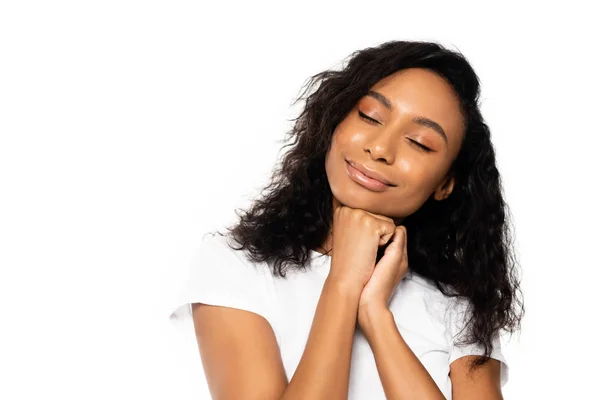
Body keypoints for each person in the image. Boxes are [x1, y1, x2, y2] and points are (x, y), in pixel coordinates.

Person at [169, 40, 525, 399]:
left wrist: (376, 315)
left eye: (419, 142)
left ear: (446, 183)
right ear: (334, 120)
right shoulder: (237, 267)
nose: (380, 149)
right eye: (369, 116)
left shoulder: (460, 308)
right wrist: (343, 282)